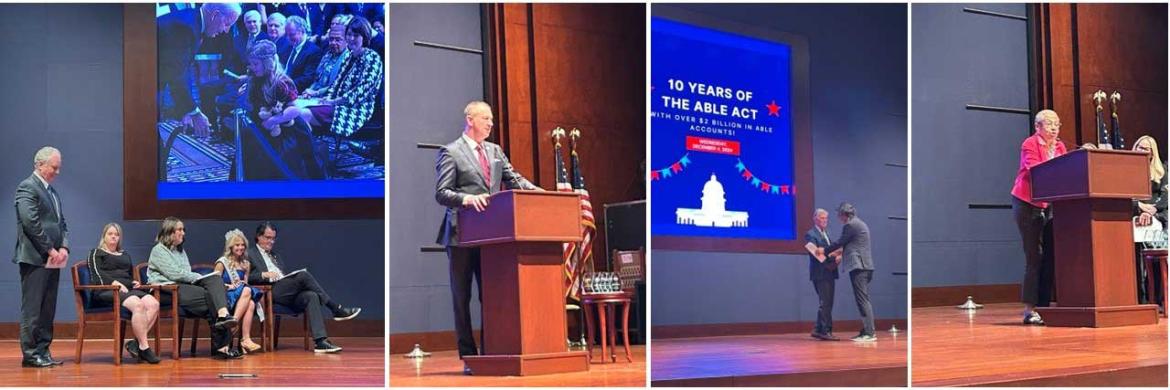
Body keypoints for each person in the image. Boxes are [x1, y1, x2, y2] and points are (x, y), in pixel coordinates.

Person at [435, 101, 540, 374]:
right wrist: (468, 199)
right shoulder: (451, 151)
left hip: (493, 236)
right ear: (470, 119)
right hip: (461, 234)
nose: (491, 123)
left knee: (491, 296)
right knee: (462, 298)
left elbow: (514, 179)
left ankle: (492, 351)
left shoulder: (495, 151)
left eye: (492, 119)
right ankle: (469, 356)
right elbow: (442, 193)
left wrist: (542, 193)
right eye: (486, 118)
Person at [246, 222, 360, 353]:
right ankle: (335, 309)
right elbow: (245, 278)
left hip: (284, 292)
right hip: (269, 293)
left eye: (273, 238)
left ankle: (320, 342)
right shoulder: (250, 254)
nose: (271, 241)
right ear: (258, 237)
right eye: (268, 237)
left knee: (311, 295)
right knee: (303, 276)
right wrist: (263, 274)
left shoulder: (275, 256)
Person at [147, 217, 242, 359]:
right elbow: (175, 274)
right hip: (166, 289)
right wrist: (198, 277)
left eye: (183, 230)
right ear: (170, 232)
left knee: (216, 282)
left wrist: (198, 278)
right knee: (213, 297)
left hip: (183, 286)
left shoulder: (180, 251)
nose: (183, 233)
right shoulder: (158, 250)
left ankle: (223, 317)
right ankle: (222, 347)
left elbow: (186, 272)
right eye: (179, 229)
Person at [1010, 109, 1068, 325]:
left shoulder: (1060, 146)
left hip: (1050, 204)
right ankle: (1029, 309)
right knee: (1034, 256)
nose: (1054, 128)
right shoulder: (1030, 144)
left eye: (1057, 124)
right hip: (1027, 203)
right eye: (1050, 123)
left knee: (1050, 255)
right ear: (1038, 127)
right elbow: (1036, 170)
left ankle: (1044, 306)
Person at [13, 146, 68, 368]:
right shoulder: (27, 187)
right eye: (54, 167)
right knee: (33, 310)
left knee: (47, 309)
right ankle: (30, 354)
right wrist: (50, 250)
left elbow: (61, 223)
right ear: (40, 165)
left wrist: (64, 247)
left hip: (53, 259)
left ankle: (43, 351)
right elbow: (31, 224)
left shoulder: (52, 192)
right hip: (35, 258)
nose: (57, 172)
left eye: (58, 167)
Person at [241, 39, 325, 180]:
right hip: (262, 126)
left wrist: (274, 119)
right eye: (251, 64)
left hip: (285, 127)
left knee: (282, 165)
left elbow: (294, 109)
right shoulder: (256, 79)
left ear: (268, 63)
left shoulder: (282, 83)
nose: (252, 67)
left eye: (256, 64)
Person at [157, 3, 242, 137]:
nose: (226, 30)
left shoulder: (193, 23)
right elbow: (177, 75)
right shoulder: (184, 27)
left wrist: (186, 110)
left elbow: (182, 70)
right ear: (215, 15)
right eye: (227, 23)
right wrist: (194, 112)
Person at [88, 223, 162, 364]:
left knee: (154, 304)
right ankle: (145, 349)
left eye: (116, 234)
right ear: (104, 236)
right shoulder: (96, 253)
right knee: (138, 305)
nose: (113, 237)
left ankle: (136, 343)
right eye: (110, 234)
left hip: (127, 290)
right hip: (106, 291)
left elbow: (127, 276)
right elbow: (96, 276)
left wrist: (134, 282)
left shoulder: (125, 255)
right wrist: (113, 283)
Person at [305, 16, 383, 138]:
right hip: (337, 104)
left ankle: (311, 153)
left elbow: (360, 93)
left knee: (300, 115)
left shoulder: (373, 58)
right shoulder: (349, 57)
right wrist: (327, 99)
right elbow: (336, 84)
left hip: (356, 111)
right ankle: (311, 152)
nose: (351, 39)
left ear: (365, 37)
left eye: (356, 36)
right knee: (296, 112)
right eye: (349, 34)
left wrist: (333, 102)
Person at [821, 203, 875, 342]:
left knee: (862, 300)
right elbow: (848, 245)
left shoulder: (850, 225)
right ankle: (866, 330)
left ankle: (870, 333)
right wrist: (837, 253)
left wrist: (824, 251)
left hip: (859, 267)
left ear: (844, 214)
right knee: (861, 299)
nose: (838, 217)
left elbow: (840, 242)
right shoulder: (859, 223)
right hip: (865, 266)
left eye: (839, 214)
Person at [214, 229, 263, 354]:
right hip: (227, 296)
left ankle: (244, 337)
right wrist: (229, 286)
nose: (240, 247)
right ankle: (236, 327)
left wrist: (241, 285)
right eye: (237, 245)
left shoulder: (246, 264)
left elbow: (245, 282)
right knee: (247, 291)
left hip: (241, 297)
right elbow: (214, 284)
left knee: (250, 300)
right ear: (230, 246)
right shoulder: (222, 262)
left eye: (242, 245)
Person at [1132, 135, 1167, 308]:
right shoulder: (1125, 169)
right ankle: (1140, 298)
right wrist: (1139, 207)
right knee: (1135, 258)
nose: (1143, 151)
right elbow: (1122, 195)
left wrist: (1152, 210)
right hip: (1133, 217)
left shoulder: (1162, 172)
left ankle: (1160, 299)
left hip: (1157, 217)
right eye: (1140, 147)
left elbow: (1165, 197)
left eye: (1147, 149)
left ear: (1153, 153)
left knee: (1156, 257)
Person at [805, 208, 840, 341]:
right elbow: (816, 254)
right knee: (825, 302)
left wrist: (836, 256)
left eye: (826, 218)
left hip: (829, 271)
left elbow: (826, 251)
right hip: (820, 273)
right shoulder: (811, 234)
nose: (825, 221)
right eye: (822, 218)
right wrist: (833, 257)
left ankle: (817, 329)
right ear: (815, 219)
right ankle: (825, 331)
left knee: (827, 302)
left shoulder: (827, 233)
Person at [302, 25, 349, 98]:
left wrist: (316, 93)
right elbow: (317, 79)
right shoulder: (327, 55)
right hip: (314, 97)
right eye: (331, 39)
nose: (333, 42)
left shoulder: (349, 59)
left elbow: (337, 85)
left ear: (347, 41)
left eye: (338, 40)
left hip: (331, 99)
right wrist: (308, 91)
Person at [279, 16, 324, 92]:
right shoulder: (287, 48)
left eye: (291, 34)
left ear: (302, 31)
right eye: (286, 35)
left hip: (297, 91)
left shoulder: (313, 51)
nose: (288, 38)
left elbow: (307, 78)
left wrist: (286, 86)